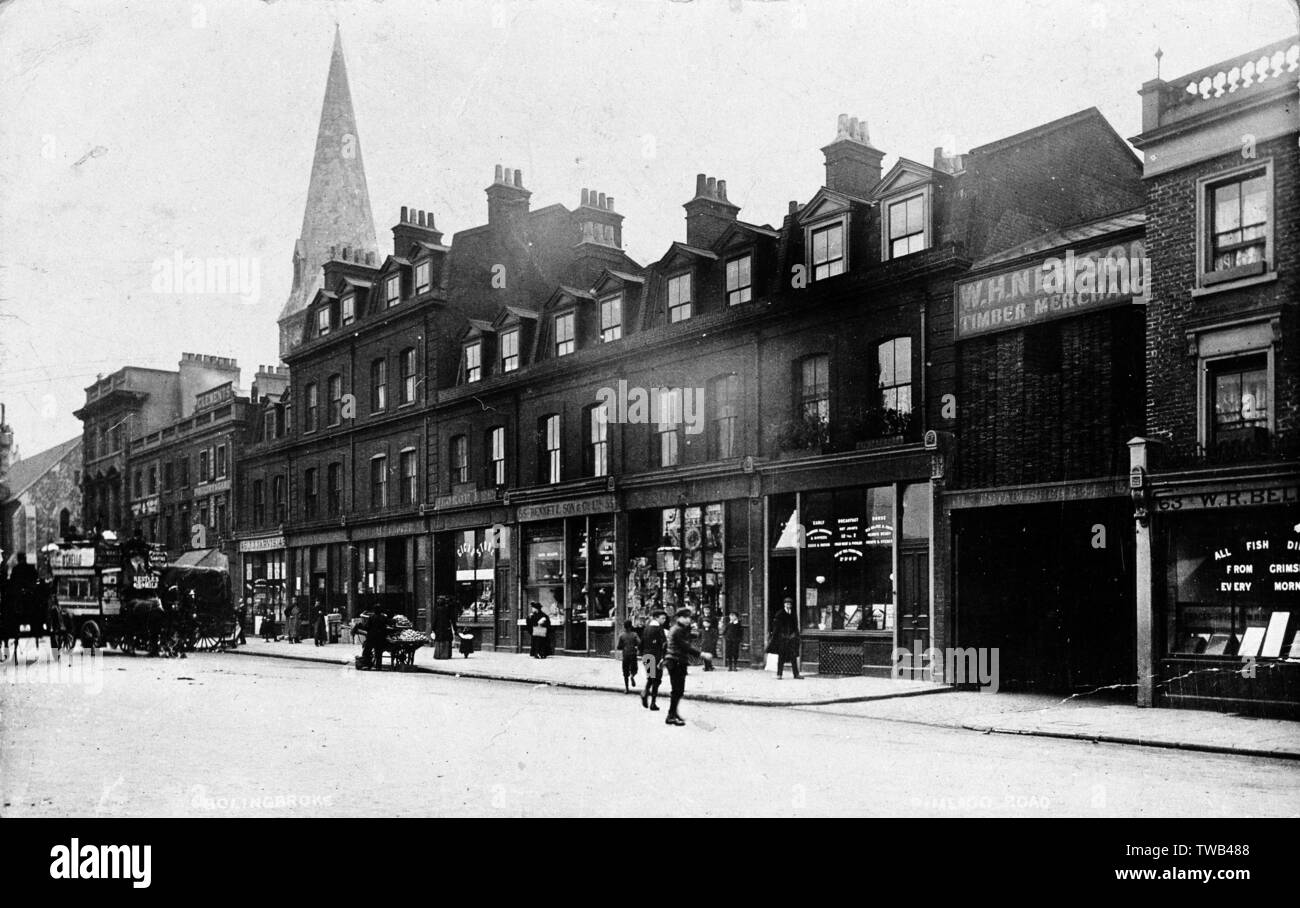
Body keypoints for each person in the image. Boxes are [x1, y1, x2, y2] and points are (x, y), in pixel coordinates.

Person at [662, 608, 708, 726]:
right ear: (679, 618)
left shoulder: (679, 628)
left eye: (689, 617)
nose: (689, 620)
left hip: (677, 661)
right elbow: (685, 646)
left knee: (679, 690)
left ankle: (673, 713)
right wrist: (701, 654)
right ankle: (671, 715)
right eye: (686, 617)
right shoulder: (677, 630)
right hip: (675, 661)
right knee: (677, 690)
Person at [639, 609, 668, 711]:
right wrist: (663, 658)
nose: (664, 620)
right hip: (657, 656)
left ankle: (645, 692)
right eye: (662, 618)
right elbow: (664, 644)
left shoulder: (646, 628)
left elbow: (641, 643)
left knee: (651, 677)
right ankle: (653, 703)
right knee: (657, 680)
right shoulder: (659, 629)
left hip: (646, 655)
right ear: (656, 618)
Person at [768, 596, 803, 679]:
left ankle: (796, 674)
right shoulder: (779, 614)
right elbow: (776, 627)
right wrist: (776, 637)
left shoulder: (793, 613)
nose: (788, 605)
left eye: (789, 604)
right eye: (787, 604)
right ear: (784, 604)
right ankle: (779, 674)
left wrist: (796, 635)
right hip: (782, 639)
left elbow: (795, 626)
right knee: (781, 657)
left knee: (793, 657)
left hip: (791, 638)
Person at [616, 619, 641, 693]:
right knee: (634, 669)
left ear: (624, 627)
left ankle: (626, 688)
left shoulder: (621, 635)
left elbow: (618, 647)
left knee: (625, 672)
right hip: (633, 654)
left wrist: (623, 646)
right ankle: (632, 676)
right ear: (631, 626)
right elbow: (639, 643)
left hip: (625, 655)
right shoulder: (634, 634)